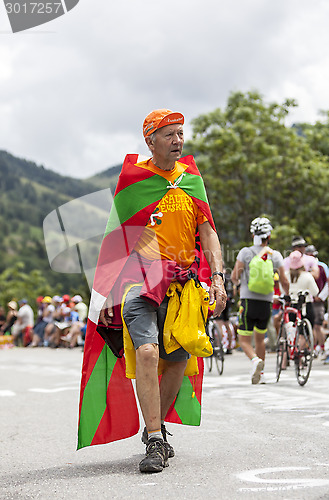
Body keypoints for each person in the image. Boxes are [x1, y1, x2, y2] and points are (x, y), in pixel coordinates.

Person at [79, 109, 227, 473]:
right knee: (146, 352)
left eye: (180, 133)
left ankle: (153, 431)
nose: (178, 140)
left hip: (182, 287)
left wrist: (219, 277)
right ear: (151, 141)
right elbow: (115, 238)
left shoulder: (192, 180)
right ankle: (157, 439)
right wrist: (103, 295)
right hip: (138, 283)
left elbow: (207, 232)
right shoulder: (134, 180)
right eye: (170, 135)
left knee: (177, 362)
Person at [231, 217, 289, 384]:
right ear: (268, 236)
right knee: (259, 338)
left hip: (248, 301)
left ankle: (255, 361)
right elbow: (284, 280)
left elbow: (235, 276)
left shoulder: (245, 252)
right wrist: (287, 294)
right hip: (267, 302)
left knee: (243, 340)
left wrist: (237, 285)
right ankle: (261, 375)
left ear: (252, 234)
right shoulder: (275, 255)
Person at [305, 245, 329, 355]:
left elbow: (327, 283)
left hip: (318, 300)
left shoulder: (321, 266)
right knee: (310, 325)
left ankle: (322, 347)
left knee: (318, 325)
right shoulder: (304, 266)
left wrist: (321, 296)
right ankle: (313, 347)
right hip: (308, 300)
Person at [286, 250, 319, 325]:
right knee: (306, 330)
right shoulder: (307, 276)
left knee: (292, 328)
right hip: (306, 305)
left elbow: (282, 290)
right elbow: (315, 292)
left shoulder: (286, 276)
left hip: (292, 305)